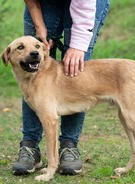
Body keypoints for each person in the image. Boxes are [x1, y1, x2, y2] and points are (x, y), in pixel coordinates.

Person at [12, 0, 110, 176]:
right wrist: (39, 25)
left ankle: (68, 146)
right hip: (41, 2)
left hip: (85, 4)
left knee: (75, 68)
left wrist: (78, 46)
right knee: (30, 64)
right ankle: (30, 145)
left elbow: (85, 5)